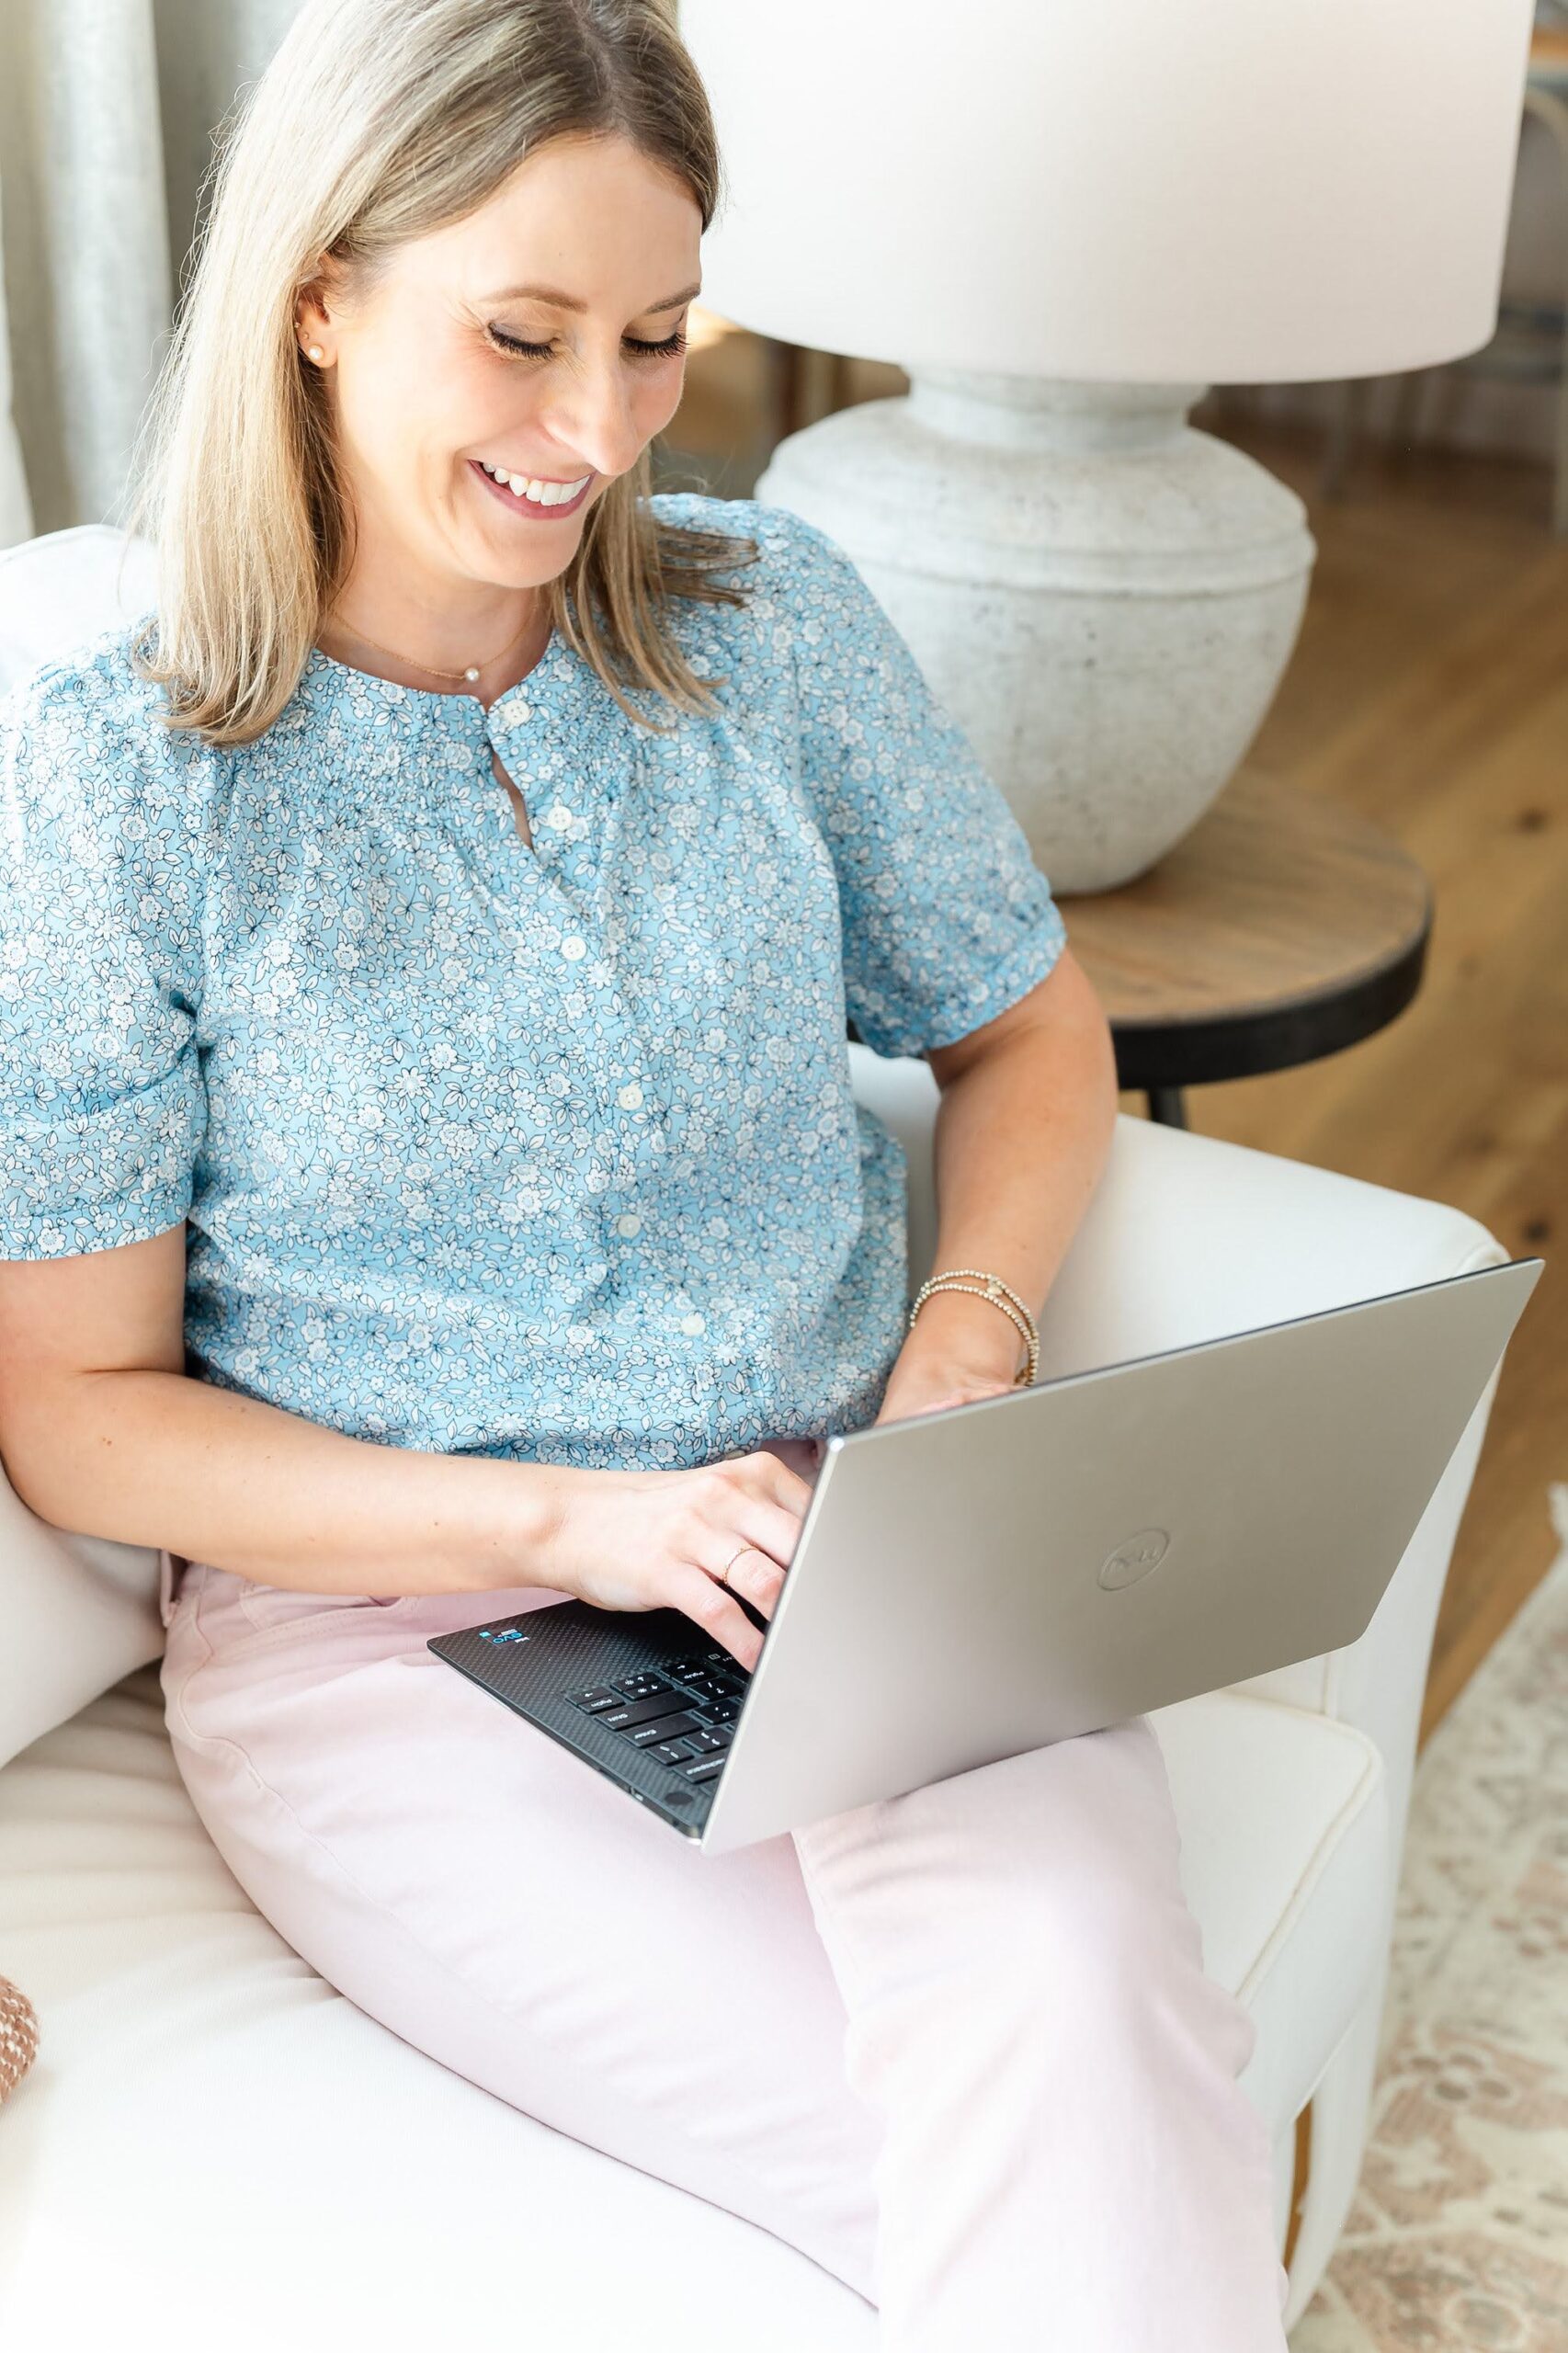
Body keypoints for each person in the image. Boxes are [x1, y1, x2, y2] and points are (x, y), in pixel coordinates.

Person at [0, 3, 1291, 2343]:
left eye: (655, 343)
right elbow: (83, 1409)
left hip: (857, 1547)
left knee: (1079, 1989)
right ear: (315, 289)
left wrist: (963, 1345)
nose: (593, 431)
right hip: (399, 1634)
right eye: (518, 337)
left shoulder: (765, 624)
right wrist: (577, 1524)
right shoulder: (115, 778)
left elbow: (1024, 1022)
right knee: (1016, 2156)